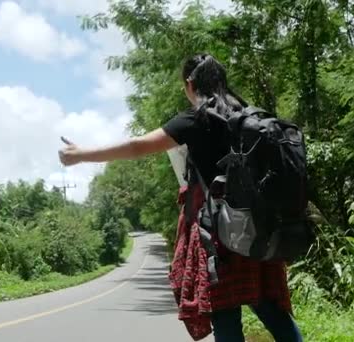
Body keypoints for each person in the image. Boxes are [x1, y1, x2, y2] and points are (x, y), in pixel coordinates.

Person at [58, 53, 303, 341]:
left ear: (190, 84)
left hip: (222, 235)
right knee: (272, 310)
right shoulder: (248, 114)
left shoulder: (196, 119)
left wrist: (81, 155)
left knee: (226, 313)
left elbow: (138, 146)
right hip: (260, 228)